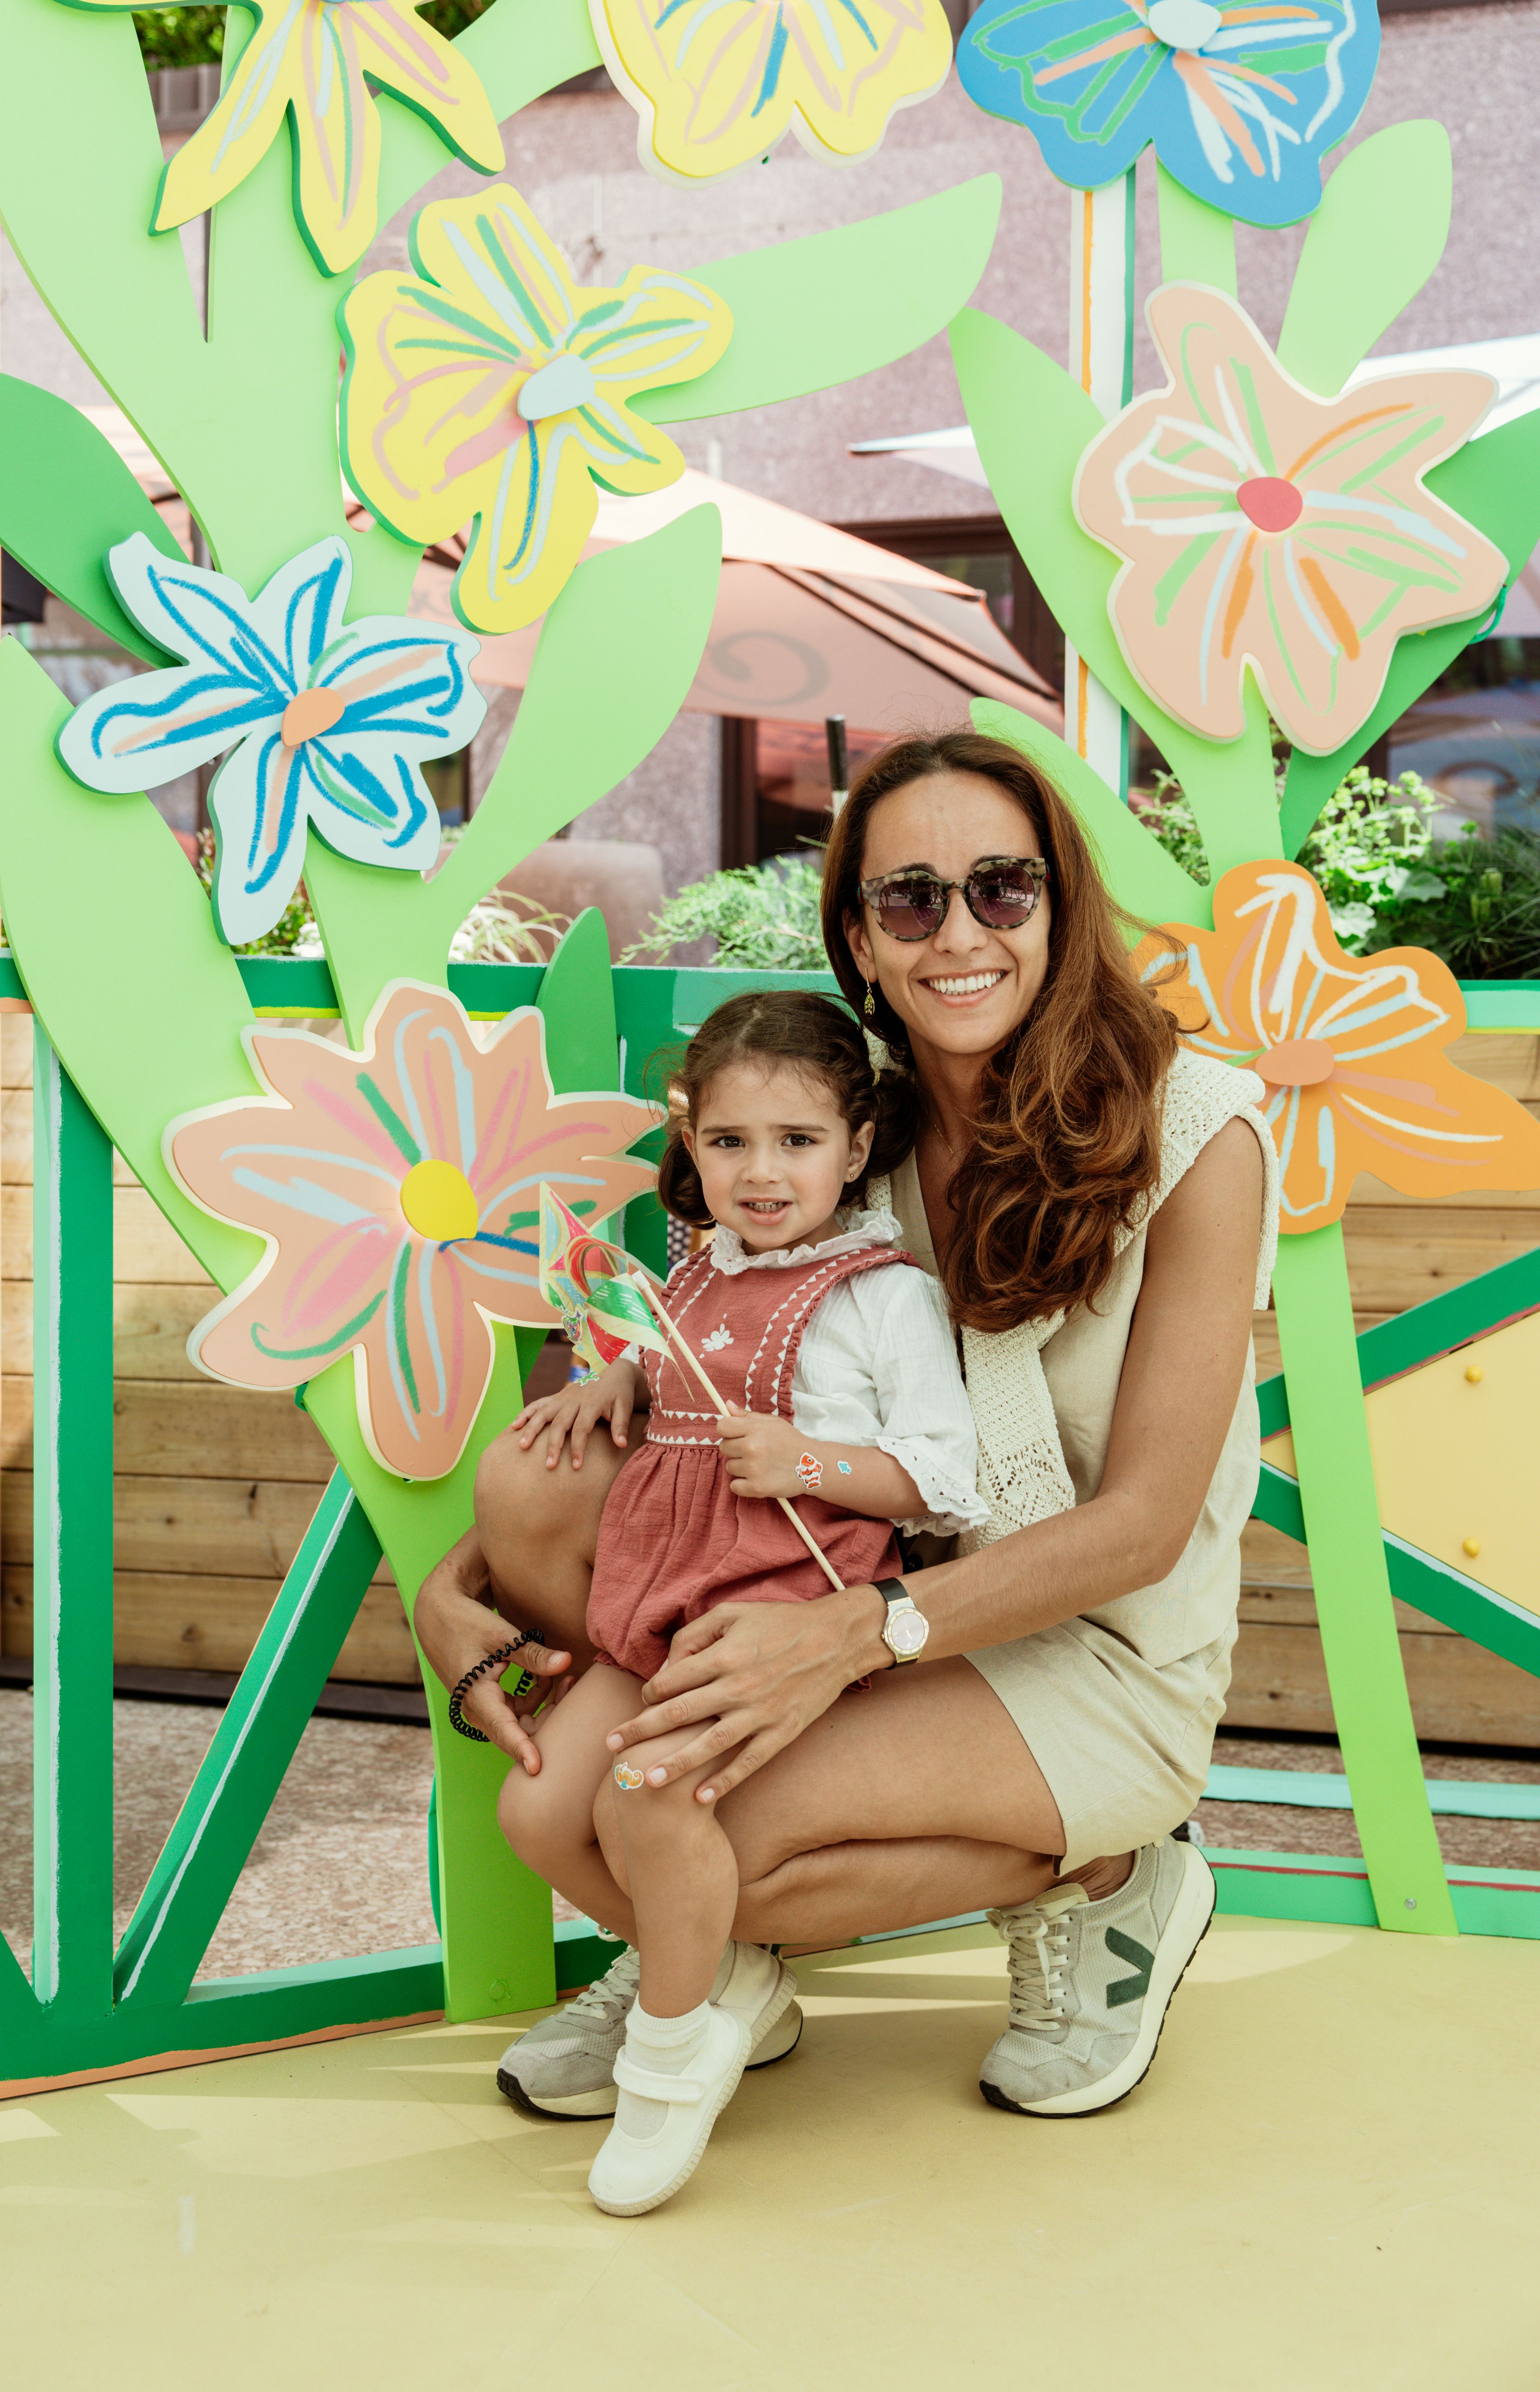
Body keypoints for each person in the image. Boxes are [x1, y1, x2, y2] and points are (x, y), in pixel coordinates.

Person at [414, 725, 1276, 2137]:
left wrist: (853, 1636)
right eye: (909, 899)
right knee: (580, 1807)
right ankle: (714, 1977)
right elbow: (702, 1396)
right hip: (854, 1580)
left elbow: (1141, 1528)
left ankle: (1116, 1877)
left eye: (1001, 890)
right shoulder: (826, 1137)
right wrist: (452, 1596)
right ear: (859, 941)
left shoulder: (1197, 1129)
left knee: (703, 1851)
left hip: (1093, 1649)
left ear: (1058, 912)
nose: (958, 933)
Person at [497, 989, 983, 2214]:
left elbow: (948, 1477)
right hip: (653, 1598)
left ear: (857, 1147)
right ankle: (717, 1975)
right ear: (690, 1142)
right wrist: (610, 1382)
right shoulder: (689, 1271)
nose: (760, 1175)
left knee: (647, 1794)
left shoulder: (882, 1296)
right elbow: (656, 1361)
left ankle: (673, 2052)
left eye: (797, 1142)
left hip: (779, 1607)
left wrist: (809, 1462)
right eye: (728, 1144)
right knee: (542, 1808)